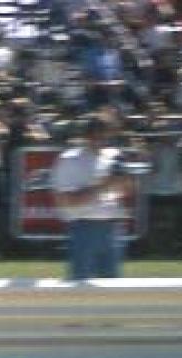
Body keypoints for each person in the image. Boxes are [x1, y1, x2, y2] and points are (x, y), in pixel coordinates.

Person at [51, 112, 129, 281]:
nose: (101, 139)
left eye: (105, 133)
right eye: (96, 133)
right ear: (86, 135)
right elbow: (66, 201)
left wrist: (124, 178)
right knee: (80, 284)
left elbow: (124, 192)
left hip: (112, 228)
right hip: (83, 227)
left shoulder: (113, 156)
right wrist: (102, 185)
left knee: (113, 286)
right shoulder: (70, 159)